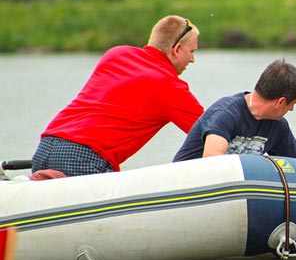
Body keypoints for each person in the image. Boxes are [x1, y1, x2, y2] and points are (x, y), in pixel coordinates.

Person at [173, 58, 296, 220]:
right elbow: (211, 160)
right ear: (281, 101)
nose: (292, 110)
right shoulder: (226, 113)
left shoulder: (277, 125)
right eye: (293, 104)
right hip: (184, 195)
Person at [31, 15, 204, 177]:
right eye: (192, 52)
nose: (192, 60)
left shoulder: (116, 54)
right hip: (83, 156)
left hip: (46, 145)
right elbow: (212, 130)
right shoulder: (169, 86)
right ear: (177, 49)